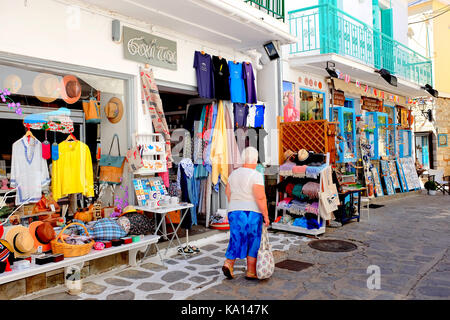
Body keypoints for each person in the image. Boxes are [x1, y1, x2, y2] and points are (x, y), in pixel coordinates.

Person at [222, 147, 270, 280]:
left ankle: (229, 263)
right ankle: (251, 271)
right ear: (255, 160)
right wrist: (266, 215)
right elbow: (260, 197)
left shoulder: (233, 174)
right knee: (253, 240)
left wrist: (236, 205)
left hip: (234, 211)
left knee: (236, 237)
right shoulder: (256, 175)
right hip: (252, 213)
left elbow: (228, 193)